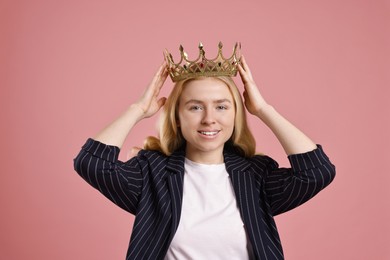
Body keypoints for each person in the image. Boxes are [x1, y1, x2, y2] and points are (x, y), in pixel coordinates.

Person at [73, 43, 335, 260]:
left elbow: (316, 173)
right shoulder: (151, 173)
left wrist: (264, 109)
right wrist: (138, 109)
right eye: (195, 107)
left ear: (236, 115)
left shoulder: (256, 177)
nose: (209, 119)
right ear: (177, 117)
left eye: (221, 107)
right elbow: (92, 164)